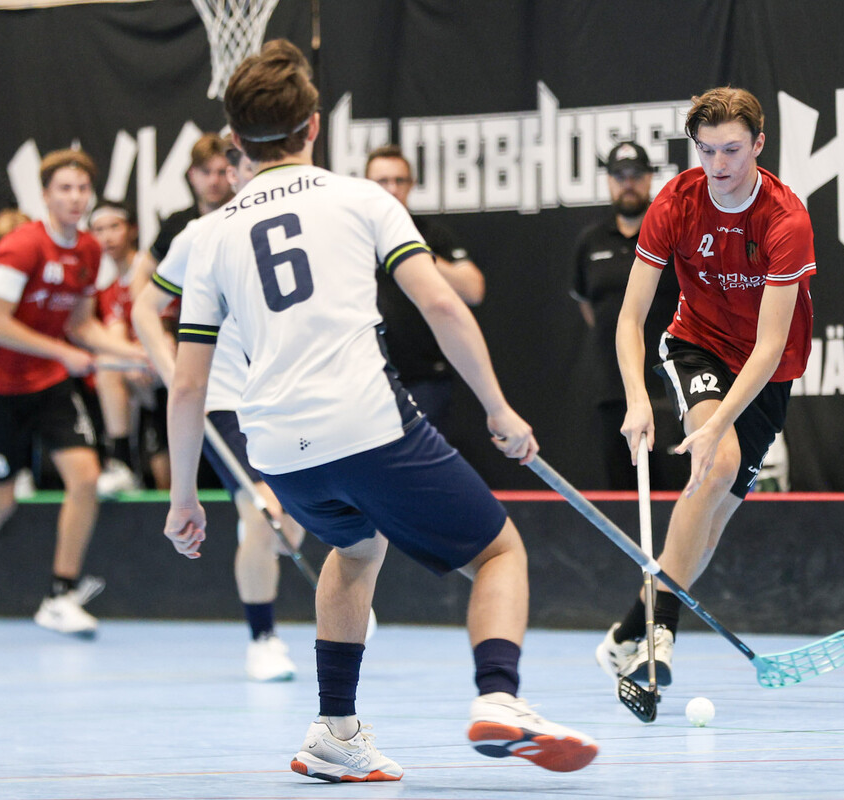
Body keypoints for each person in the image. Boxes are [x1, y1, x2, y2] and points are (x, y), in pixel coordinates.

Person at [164, 40, 597, 782]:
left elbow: (186, 385)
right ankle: (501, 697)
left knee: (357, 548)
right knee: (499, 552)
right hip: (365, 424)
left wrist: (184, 497)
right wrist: (498, 408)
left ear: (234, 140)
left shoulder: (207, 236)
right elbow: (442, 304)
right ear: (314, 126)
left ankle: (335, 733)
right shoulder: (361, 198)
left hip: (278, 450)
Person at [595, 87, 816, 689]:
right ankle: (660, 633)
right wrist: (637, 398)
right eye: (707, 150)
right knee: (717, 464)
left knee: (712, 520)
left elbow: (769, 346)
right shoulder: (675, 202)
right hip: (698, 345)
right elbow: (631, 316)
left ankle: (627, 632)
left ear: (759, 145)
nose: (719, 164)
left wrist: (719, 422)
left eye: (732, 150)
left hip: (769, 370)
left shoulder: (786, 219)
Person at [0, 149, 150, 639]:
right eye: (64, 188)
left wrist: (136, 353)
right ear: (46, 195)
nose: (75, 197)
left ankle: (59, 595)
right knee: (1, 498)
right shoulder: (22, 246)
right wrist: (64, 353)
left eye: (82, 189)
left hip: (48, 385)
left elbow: (81, 324)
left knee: (85, 477)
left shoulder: (88, 252)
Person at [132, 143, 305, 682]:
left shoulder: (301, 224)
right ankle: (263, 638)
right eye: (248, 169)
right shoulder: (200, 235)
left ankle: (335, 587)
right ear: (233, 175)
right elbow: (144, 307)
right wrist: (170, 367)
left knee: (290, 523)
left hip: (290, 393)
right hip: (227, 399)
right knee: (263, 511)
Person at [570, 142, 683, 490]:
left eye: (636, 175)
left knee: (678, 495)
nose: (628, 183)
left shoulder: (673, 234)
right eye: (620, 176)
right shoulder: (590, 242)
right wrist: (624, 338)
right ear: (609, 181)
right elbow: (589, 307)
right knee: (622, 497)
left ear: (650, 179)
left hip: (669, 387)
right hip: (613, 390)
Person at [364, 145, 485, 436]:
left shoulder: (428, 234)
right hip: (366, 378)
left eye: (399, 180)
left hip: (424, 378)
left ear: (412, 184)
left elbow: (473, 289)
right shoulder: (353, 235)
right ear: (366, 185)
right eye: (382, 181)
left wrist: (414, 253)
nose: (392, 189)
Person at [89, 201, 168, 494]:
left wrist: (147, 355)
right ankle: (121, 462)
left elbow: (169, 327)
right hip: (143, 369)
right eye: (99, 230)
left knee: (167, 480)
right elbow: (116, 337)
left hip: (173, 362)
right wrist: (135, 358)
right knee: (107, 364)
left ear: (132, 230)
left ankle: (124, 461)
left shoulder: (150, 269)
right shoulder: (109, 288)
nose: (107, 237)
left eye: (114, 227)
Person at [129, 132, 234, 290]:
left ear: (233, 174)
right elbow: (144, 269)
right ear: (192, 175)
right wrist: (142, 304)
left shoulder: (244, 217)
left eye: (221, 172)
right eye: (206, 172)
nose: (214, 181)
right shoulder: (177, 224)